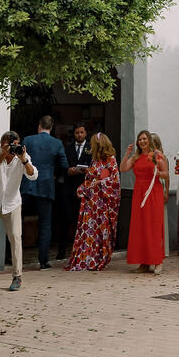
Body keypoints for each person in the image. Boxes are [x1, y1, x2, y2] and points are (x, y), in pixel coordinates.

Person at [0, 131, 37, 290]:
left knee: (16, 237)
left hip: (12, 203)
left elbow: (33, 175)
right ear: (1, 144)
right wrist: (2, 155)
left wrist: (24, 160)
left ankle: (17, 276)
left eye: (15, 145)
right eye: (8, 145)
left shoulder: (21, 155)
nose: (12, 148)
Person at [65, 133, 120, 271]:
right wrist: (83, 188)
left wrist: (101, 182)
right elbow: (90, 178)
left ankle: (99, 258)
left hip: (102, 203)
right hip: (91, 202)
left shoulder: (110, 159)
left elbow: (115, 180)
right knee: (89, 231)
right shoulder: (95, 160)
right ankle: (88, 259)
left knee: (101, 232)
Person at [20, 116, 69, 269]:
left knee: (17, 222)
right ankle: (43, 261)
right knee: (45, 225)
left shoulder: (28, 140)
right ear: (51, 127)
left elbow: (19, 159)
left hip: (27, 185)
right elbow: (64, 165)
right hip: (46, 186)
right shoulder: (57, 143)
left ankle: (14, 257)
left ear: (39, 126)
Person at [120, 130, 168, 272]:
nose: (142, 141)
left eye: (144, 139)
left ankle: (157, 261)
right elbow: (123, 169)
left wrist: (158, 173)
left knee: (153, 226)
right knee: (140, 227)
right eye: (140, 139)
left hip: (153, 191)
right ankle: (144, 263)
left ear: (149, 140)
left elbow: (165, 174)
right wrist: (127, 154)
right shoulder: (136, 157)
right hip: (139, 193)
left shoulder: (157, 155)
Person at [58, 123, 94, 260]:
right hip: (69, 187)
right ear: (74, 134)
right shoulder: (67, 148)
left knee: (82, 220)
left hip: (84, 188)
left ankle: (81, 251)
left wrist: (87, 171)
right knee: (66, 220)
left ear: (86, 133)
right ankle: (62, 251)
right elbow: (61, 165)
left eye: (82, 132)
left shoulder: (91, 148)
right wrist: (68, 170)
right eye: (77, 132)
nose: (79, 135)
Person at [149, 132, 171, 257]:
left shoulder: (161, 156)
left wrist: (166, 192)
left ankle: (163, 249)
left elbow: (167, 177)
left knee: (161, 219)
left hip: (159, 186)